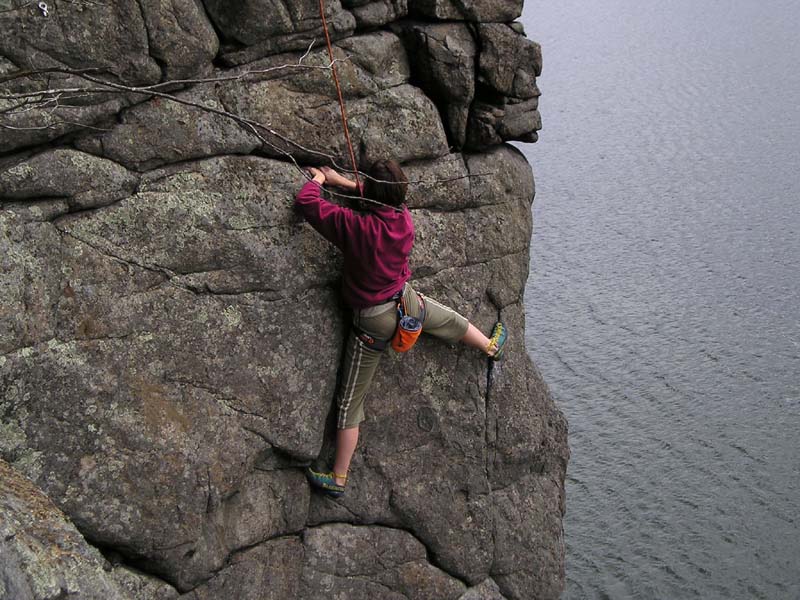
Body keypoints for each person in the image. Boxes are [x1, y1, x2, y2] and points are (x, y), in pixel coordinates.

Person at [295, 160, 507, 498]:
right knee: (446, 318)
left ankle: (338, 478)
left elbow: (307, 203)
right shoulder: (402, 218)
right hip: (403, 300)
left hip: (373, 319)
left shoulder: (358, 228)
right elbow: (384, 198)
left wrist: (321, 179)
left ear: (374, 195)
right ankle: (490, 347)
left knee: (351, 402)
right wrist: (346, 183)